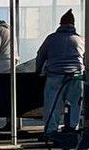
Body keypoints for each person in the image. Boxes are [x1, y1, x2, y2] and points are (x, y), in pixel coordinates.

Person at [35, 9, 85, 138]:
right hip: (76, 75)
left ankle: (51, 130)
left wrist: (38, 70)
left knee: (53, 104)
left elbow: (40, 55)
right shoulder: (79, 39)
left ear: (60, 24)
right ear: (73, 24)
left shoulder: (51, 39)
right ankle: (72, 127)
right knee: (75, 103)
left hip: (55, 75)